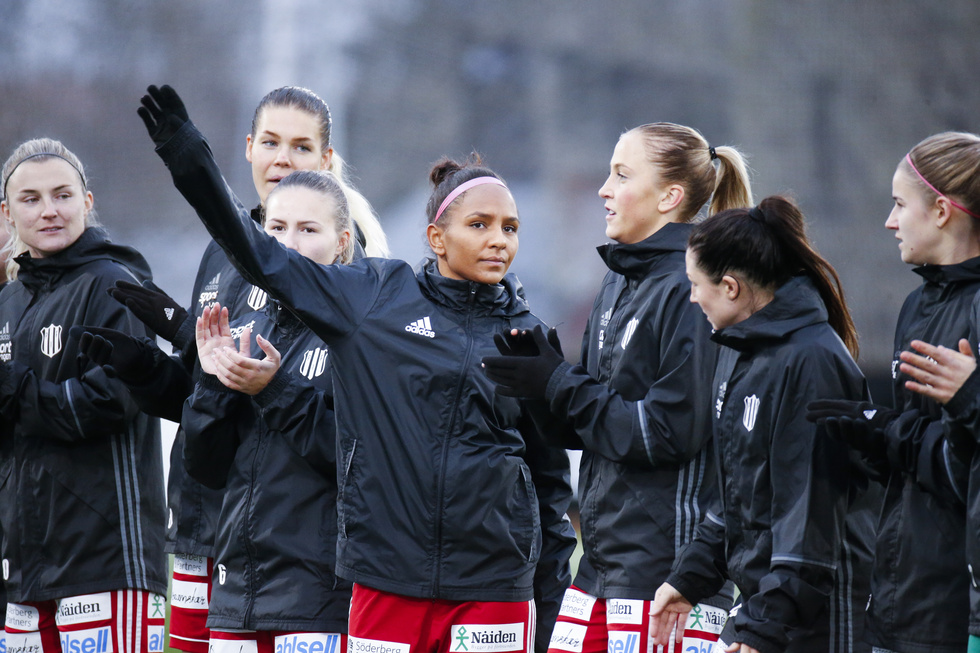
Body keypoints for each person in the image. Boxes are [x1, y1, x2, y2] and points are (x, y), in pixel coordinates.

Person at [138, 84, 576, 653]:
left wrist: (551, 607)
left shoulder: (529, 338)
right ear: (436, 238)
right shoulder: (379, 297)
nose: (498, 241)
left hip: (494, 587)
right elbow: (261, 256)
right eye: (480, 225)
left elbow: (550, 487)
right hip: (384, 582)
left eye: (510, 228)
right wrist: (187, 154)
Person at [99, 84, 388, 653]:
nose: (284, 160)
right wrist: (156, 362)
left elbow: (356, 444)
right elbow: (205, 395)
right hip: (215, 525)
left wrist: (262, 384)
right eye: (272, 143)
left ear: (327, 160)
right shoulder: (219, 253)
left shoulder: (359, 282)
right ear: (249, 147)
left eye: (302, 147)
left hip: (305, 559)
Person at [482, 123, 751, 653]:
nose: (604, 189)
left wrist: (559, 382)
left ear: (669, 197)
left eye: (622, 175)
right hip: (600, 570)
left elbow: (664, 433)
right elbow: (594, 428)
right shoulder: (617, 280)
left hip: (667, 581)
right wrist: (541, 386)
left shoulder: (690, 290)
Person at [647, 196, 871, 653]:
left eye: (695, 284)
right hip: (771, 609)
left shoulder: (811, 363)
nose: (692, 297)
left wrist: (764, 628)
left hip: (815, 620)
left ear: (730, 287)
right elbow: (738, 494)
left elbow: (808, 517)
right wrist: (690, 577)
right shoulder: (739, 350)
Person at [176, 169, 362, 653]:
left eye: (308, 229)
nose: (288, 244)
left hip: (319, 602)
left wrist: (275, 390)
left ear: (342, 243)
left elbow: (358, 461)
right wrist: (213, 383)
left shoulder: (359, 336)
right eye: (276, 229)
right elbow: (206, 468)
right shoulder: (244, 326)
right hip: (236, 597)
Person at [815, 131, 980, 653]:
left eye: (900, 204)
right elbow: (924, 460)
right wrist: (874, 437)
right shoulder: (917, 304)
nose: (890, 221)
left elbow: (962, 470)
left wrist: (896, 432)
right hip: (897, 604)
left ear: (941, 211)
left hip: (952, 617)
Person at [0, 138, 167, 653]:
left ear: (87, 202)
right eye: (30, 199)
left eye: (62, 195)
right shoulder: (9, 301)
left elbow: (108, 403)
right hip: (24, 568)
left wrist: (13, 388)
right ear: (7, 213)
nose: (49, 210)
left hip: (105, 564)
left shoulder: (115, 285)